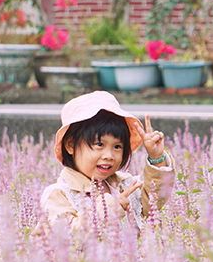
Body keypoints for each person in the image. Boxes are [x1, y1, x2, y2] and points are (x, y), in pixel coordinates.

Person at [39, 90, 175, 233]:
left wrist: (157, 158)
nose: (109, 155)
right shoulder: (60, 194)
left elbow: (153, 202)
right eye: (99, 144)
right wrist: (108, 208)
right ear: (71, 145)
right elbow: (65, 235)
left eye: (117, 146)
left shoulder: (124, 185)